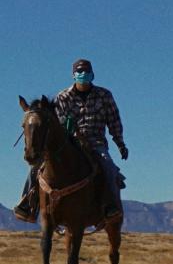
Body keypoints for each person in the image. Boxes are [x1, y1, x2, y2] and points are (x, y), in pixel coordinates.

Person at [14, 57, 127, 222]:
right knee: (37, 166)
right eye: (79, 72)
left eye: (86, 71)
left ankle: (110, 206)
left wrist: (120, 143)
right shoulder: (63, 97)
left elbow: (114, 121)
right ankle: (27, 204)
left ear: (92, 74)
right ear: (74, 75)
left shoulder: (104, 95)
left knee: (108, 166)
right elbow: (57, 123)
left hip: (95, 143)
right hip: (69, 143)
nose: (83, 74)